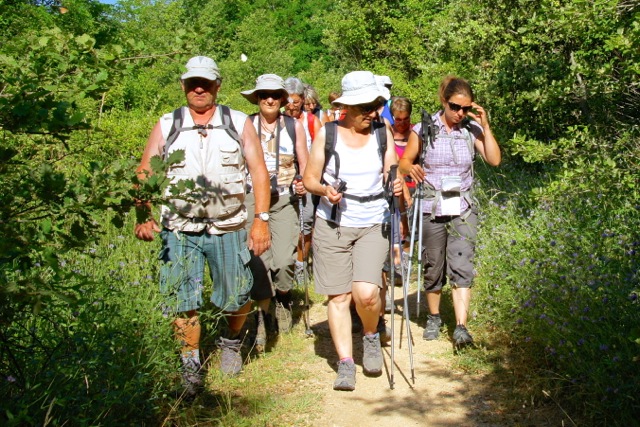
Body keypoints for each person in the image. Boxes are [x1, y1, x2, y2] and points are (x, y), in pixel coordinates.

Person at [134, 56, 271, 394]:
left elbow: (258, 172)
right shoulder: (168, 123)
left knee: (238, 294)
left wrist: (261, 221)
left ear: (217, 86)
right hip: (179, 228)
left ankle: (230, 342)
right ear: (183, 85)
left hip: (228, 226)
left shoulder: (237, 122)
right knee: (183, 300)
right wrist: (143, 213)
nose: (199, 89)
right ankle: (190, 367)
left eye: (206, 83)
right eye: (193, 82)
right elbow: (144, 172)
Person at [303, 70, 402, 391]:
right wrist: (324, 190)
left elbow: (390, 166)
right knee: (340, 296)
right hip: (333, 224)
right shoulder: (327, 134)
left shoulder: (382, 132)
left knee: (367, 293)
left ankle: (370, 335)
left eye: (376, 106)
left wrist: (395, 180)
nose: (373, 113)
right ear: (348, 108)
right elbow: (309, 179)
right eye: (366, 108)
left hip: (373, 220)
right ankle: (345, 363)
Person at [399, 75, 501, 347]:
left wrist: (486, 127)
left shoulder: (471, 130)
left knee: (462, 263)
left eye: (466, 108)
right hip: (431, 205)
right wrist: (411, 168)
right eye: (455, 107)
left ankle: (461, 326)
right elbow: (404, 162)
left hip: (462, 207)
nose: (460, 113)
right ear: (444, 102)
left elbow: (494, 159)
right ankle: (434, 316)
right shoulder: (424, 129)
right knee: (433, 264)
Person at [240, 74, 308, 347]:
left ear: (282, 99)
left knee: (282, 261)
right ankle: (262, 316)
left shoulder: (294, 127)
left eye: (275, 95)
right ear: (257, 98)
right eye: (264, 94)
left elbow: (305, 163)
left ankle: (284, 297)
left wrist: (303, 182)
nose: (269, 99)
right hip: (251, 199)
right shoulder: (245, 125)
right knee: (258, 261)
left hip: (284, 200)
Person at [284, 77, 321, 285]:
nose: (291, 106)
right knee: (289, 224)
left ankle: (301, 264)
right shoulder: (278, 120)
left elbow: (320, 151)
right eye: (288, 101)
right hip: (284, 180)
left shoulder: (310, 121)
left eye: (296, 101)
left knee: (306, 223)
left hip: (306, 179)